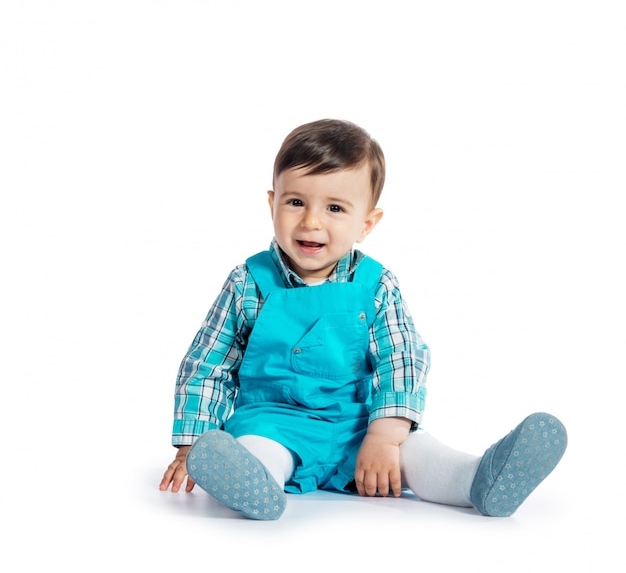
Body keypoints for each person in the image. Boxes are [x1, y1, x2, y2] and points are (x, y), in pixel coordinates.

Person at [159, 119, 567, 520]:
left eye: (335, 208)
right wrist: (192, 444)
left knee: (419, 455)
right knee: (256, 448)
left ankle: (478, 479)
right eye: (296, 202)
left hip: (359, 427)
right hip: (274, 422)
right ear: (273, 204)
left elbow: (402, 358)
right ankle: (252, 484)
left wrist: (385, 436)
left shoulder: (376, 286)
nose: (311, 221)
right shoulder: (247, 282)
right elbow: (208, 364)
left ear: (366, 223)